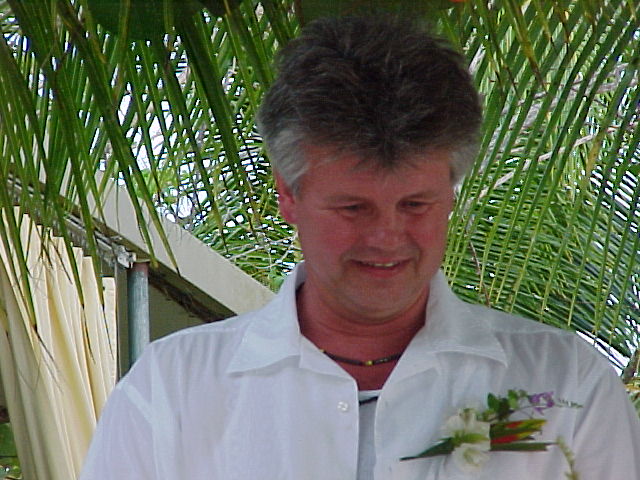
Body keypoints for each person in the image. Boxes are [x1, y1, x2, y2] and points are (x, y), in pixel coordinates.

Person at [80, 16, 640, 479]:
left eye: (415, 205)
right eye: (353, 208)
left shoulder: (566, 386)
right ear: (289, 196)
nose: (386, 237)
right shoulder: (174, 389)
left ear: (450, 193)